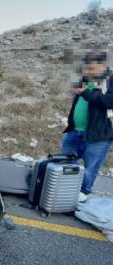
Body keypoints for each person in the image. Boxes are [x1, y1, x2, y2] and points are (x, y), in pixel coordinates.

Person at [62, 50, 113, 202]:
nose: (88, 72)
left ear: (103, 66)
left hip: (98, 135)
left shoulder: (111, 80)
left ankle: (82, 194)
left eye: (91, 69)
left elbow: (109, 102)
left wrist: (85, 93)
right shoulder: (85, 79)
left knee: (90, 168)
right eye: (86, 68)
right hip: (74, 132)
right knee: (66, 163)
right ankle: (63, 191)